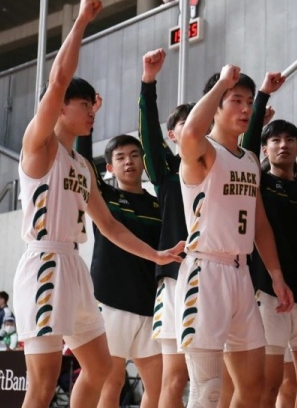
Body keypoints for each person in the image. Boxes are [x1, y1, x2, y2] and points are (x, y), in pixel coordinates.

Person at [13, 0, 183, 408]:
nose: (92, 112)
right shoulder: (39, 146)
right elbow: (58, 80)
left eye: (93, 105)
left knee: (102, 368)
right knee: (43, 384)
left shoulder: (83, 167)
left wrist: (156, 255)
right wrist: (81, 21)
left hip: (74, 267)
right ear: (59, 108)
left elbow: (109, 225)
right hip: (44, 263)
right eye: (84, 105)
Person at [176, 64, 293, 407]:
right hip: (205, 272)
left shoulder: (251, 160)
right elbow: (189, 133)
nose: (245, 109)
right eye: (236, 100)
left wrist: (276, 276)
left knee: (253, 386)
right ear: (216, 106)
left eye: (249, 102)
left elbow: (260, 224)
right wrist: (221, 84)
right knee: (207, 390)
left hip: (242, 274)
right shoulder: (204, 151)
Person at [241, 72, 297, 408]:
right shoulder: (258, 180)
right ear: (265, 149)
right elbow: (246, 146)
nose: (283, 144)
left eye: (290, 139)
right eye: (275, 140)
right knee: (269, 384)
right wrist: (262, 96)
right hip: (268, 292)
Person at [75, 123, 164, 408]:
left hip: (151, 305)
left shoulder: (159, 206)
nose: (129, 162)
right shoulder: (104, 198)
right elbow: (83, 162)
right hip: (111, 302)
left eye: (135, 155)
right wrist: (86, 126)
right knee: (110, 384)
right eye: (121, 157)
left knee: (159, 388)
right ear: (110, 168)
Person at [138, 48, 191, 407]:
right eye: (187, 123)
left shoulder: (221, 169)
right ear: (172, 135)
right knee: (175, 377)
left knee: (218, 375)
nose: (197, 128)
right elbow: (147, 133)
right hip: (175, 278)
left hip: (221, 274)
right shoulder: (167, 171)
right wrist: (148, 82)